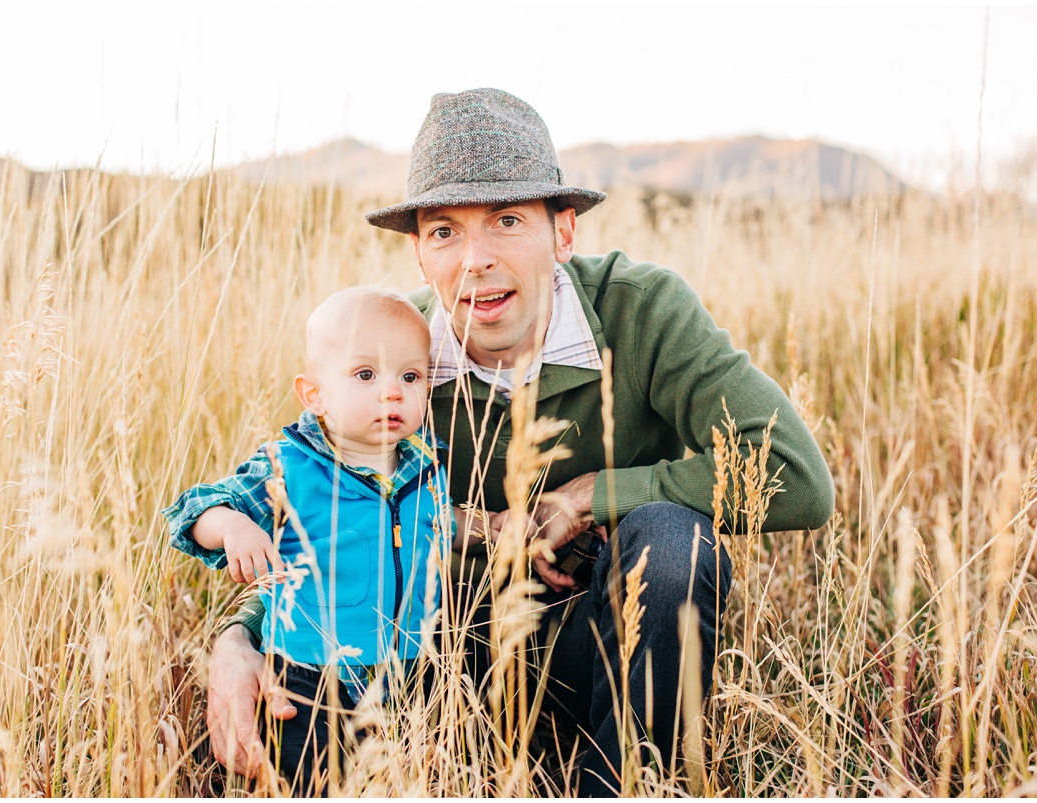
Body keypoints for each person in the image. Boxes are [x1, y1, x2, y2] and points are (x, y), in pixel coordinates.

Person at [201, 88, 835, 795]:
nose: (475, 258)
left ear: (564, 232)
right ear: (418, 253)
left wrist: (595, 495)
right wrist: (240, 638)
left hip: (603, 646)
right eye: (444, 230)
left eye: (506, 220)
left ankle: (626, 783)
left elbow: (796, 475)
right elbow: (319, 513)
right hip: (443, 665)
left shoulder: (642, 309)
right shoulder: (387, 358)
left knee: (674, 539)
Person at [162, 287, 453, 794]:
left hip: (413, 674)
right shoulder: (290, 466)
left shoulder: (426, 465)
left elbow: (439, 525)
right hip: (311, 682)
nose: (393, 392)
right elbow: (194, 509)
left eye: (410, 377)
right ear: (314, 394)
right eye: (366, 375)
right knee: (311, 784)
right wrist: (232, 525)